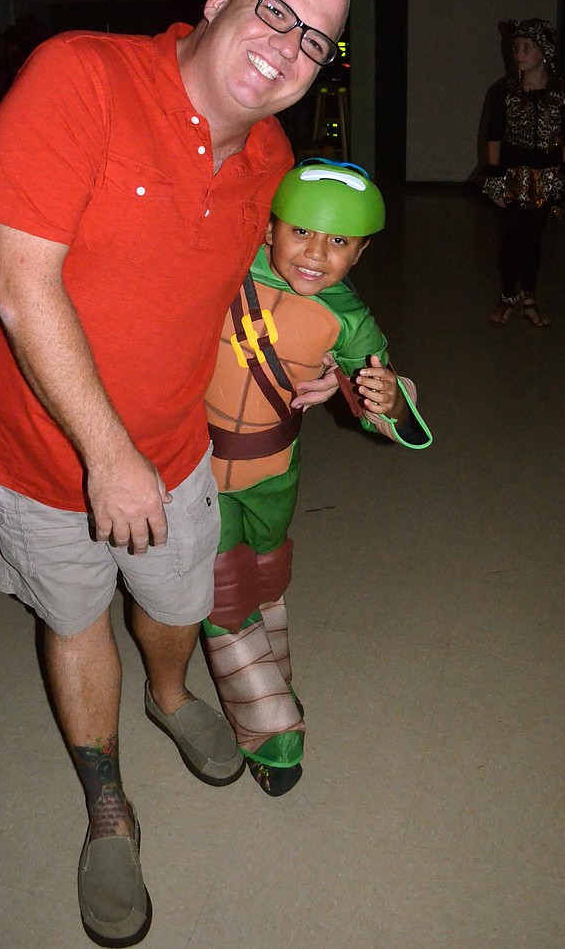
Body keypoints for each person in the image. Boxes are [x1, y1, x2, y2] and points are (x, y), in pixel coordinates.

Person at [0, 0, 350, 947]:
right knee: (78, 611)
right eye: (273, 9)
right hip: (37, 449)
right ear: (219, 0)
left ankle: (172, 696)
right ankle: (107, 806)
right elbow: (19, 283)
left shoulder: (268, 164)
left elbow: (268, 291)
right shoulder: (80, 76)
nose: (286, 45)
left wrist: (310, 365)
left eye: (316, 38)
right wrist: (106, 451)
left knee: (173, 603)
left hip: (172, 445)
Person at [203, 159, 432, 796]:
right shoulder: (224, 266)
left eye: (339, 241)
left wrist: (385, 398)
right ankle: (272, 730)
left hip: (275, 470)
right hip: (195, 468)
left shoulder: (348, 318)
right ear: (270, 226)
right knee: (222, 590)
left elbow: (384, 403)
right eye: (301, 230)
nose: (315, 253)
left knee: (268, 576)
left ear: (361, 252)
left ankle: (268, 671)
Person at [482, 18, 565, 327]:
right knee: (511, 237)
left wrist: (563, 169)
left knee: (534, 238)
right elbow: (494, 135)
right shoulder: (505, 91)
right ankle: (509, 294)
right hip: (512, 174)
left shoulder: (562, 90)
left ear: (543, 52)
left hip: (546, 175)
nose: (518, 55)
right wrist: (495, 173)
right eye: (516, 48)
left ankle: (530, 296)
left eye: (527, 48)